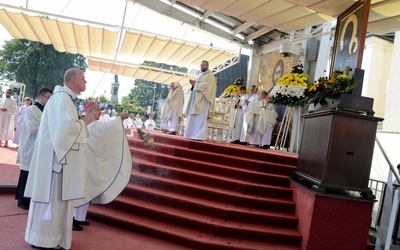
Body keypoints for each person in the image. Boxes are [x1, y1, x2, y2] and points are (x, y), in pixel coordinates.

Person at [24, 68, 97, 249]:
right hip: (55, 164)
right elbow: (63, 132)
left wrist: (81, 121)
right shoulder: (61, 99)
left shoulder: (65, 99)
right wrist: (84, 122)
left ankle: (52, 238)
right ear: (73, 81)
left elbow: (65, 127)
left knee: (57, 202)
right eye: (83, 78)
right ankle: (43, 239)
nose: (85, 81)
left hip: (58, 162)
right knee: (52, 201)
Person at [73, 102, 132, 231]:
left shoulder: (89, 122)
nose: (100, 112)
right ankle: (72, 219)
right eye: (98, 110)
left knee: (85, 189)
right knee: (80, 189)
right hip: (83, 161)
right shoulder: (87, 123)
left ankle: (79, 217)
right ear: (90, 111)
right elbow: (106, 130)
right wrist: (121, 118)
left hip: (88, 160)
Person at [15, 88, 53, 210]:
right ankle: (23, 200)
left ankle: (30, 199)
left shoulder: (47, 110)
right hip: (31, 145)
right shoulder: (32, 109)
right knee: (27, 173)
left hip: (41, 146)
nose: (50, 100)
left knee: (35, 173)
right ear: (41, 97)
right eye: (48, 97)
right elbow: (33, 128)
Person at [184, 60, 216, 140]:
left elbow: (207, 87)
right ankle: (190, 134)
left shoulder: (210, 75)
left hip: (203, 100)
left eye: (203, 65)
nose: (201, 66)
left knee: (200, 117)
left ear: (207, 66)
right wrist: (193, 85)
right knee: (192, 117)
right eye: (201, 65)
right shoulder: (200, 75)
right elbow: (197, 85)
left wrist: (195, 84)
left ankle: (198, 136)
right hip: (195, 99)